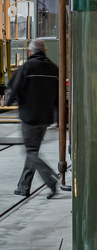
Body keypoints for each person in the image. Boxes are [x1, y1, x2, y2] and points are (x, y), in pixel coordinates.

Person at [6, 39, 63, 199]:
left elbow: (13, 88)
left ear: (30, 52)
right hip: (45, 118)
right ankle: (23, 186)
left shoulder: (27, 67)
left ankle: (50, 179)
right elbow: (58, 95)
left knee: (31, 152)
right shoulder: (54, 68)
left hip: (30, 118)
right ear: (44, 51)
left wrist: (9, 102)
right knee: (33, 151)